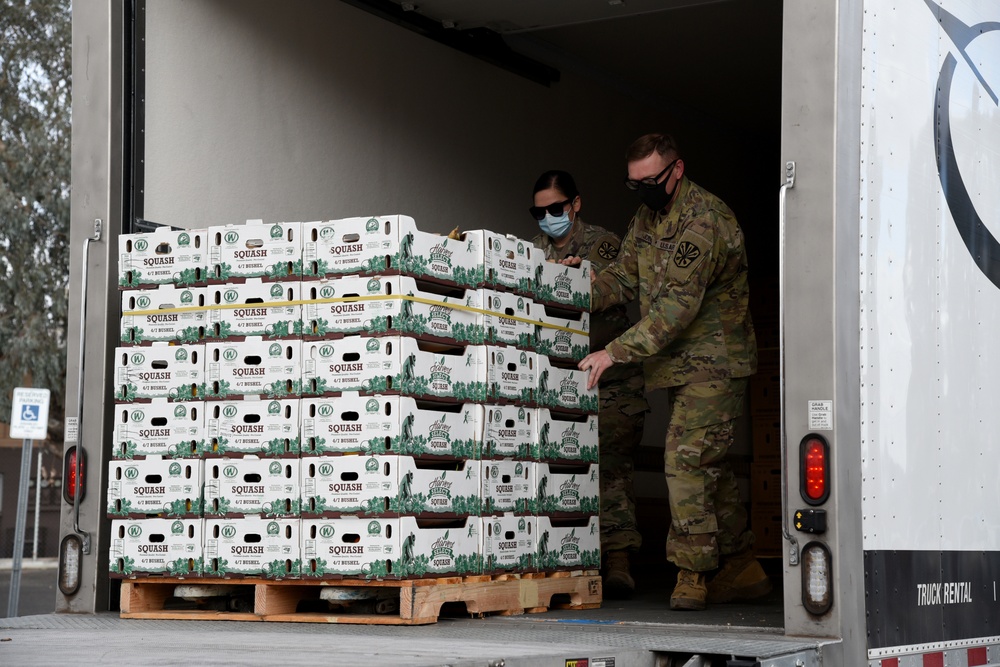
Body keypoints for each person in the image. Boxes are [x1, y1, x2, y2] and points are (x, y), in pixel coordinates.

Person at [577, 133, 770, 611]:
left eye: (652, 180)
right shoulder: (648, 216)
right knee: (711, 465)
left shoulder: (705, 220)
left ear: (677, 170)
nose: (643, 190)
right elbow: (623, 277)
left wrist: (613, 352)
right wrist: (572, 287)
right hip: (678, 366)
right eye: (634, 183)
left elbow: (674, 313)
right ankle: (743, 565)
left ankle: (692, 573)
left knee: (684, 461)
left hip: (715, 363)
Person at [529, 170, 648, 599]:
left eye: (555, 209)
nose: (548, 217)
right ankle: (574, 561)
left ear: (575, 205)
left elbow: (624, 288)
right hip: (563, 382)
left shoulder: (603, 244)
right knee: (564, 473)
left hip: (612, 381)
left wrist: (585, 278)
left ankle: (618, 563)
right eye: (539, 211)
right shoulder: (535, 253)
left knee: (610, 470)